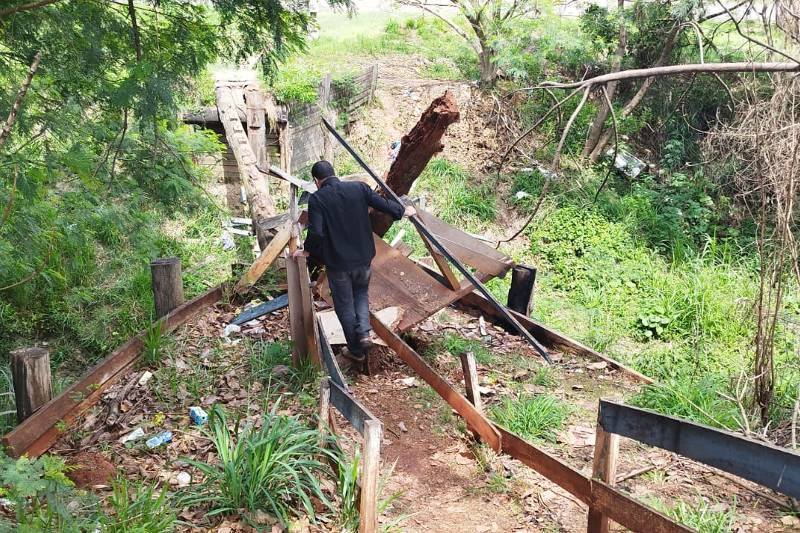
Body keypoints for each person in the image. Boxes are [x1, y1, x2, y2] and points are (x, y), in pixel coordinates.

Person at [292, 160, 416, 365]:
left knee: (344, 305)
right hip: (363, 258)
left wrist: (306, 251)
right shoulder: (358, 188)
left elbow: (316, 231)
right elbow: (383, 205)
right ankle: (364, 333)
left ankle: (356, 350)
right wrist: (403, 211)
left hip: (338, 263)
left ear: (316, 181)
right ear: (335, 174)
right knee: (360, 293)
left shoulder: (317, 199)